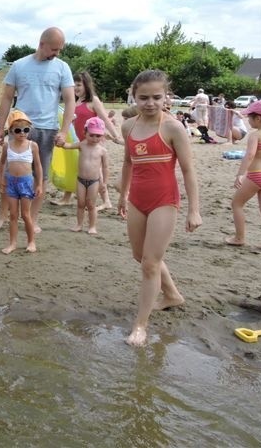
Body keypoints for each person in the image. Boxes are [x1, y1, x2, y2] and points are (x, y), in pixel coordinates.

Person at [117, 70, 201, 347]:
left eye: (156, 97)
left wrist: (194, 210)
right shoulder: (128, 127)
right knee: (140, 256)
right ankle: (173, 295)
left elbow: (188, 170)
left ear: (167, 96)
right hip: (137, 199)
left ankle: (140, 326)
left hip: (165, 200)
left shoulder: (173, 127)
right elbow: (129, 163)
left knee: (150, 264)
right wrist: (122, 195)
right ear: (134, 96)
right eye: (143, 97)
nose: (150, 103)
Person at [0, 27, 75, 233]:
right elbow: (6, 97)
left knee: (41, 175)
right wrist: (1, 126)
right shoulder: (20, 66)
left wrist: (64, 131)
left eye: (60, 49)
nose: (57, 53)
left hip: (47, 129)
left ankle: (32, 217)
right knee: (9, 172)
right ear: (41, 44)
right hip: (19, 126)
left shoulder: (63, 68)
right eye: (54, 49)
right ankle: (3, 214)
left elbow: (69, 100)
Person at [51, 71, 122, 209]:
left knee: (97, 173)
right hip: (78, 142)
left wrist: (116, 135)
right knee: (75, 168)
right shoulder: (74, 102)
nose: (75, 88)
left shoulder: (93, 101)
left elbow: (105, 119)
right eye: (73, 85)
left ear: (86, 85)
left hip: (94, 144)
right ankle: (67, 197)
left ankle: (106, 200)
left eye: (79, 85)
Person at [0, 110, 42, 254]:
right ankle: (12, 243)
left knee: (26, 214)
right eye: (18, 130)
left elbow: (38, 166)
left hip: (26, 182)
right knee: (13, 215)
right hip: (11, 182)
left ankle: (31, 241)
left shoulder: (32, 145)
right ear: (11, 131)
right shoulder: (7, 146)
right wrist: (1, 179)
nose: (22, 133)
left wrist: (39, 183)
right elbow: (2, 164)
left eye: (26, 129)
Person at [225, 100, 261, 248]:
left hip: (256, 175)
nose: (248, 120)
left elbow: (249, 156)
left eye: (250, 117)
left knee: (237, 204)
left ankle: (239, 237)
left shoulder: (256, 135)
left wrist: (240, 174)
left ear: (259, 118)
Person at [61, 117, 110, 234]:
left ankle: (92, 226)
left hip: (94, 181)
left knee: (91, 204)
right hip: (80, 180)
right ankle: (79, 225)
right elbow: (68, 146)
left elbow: (105, 167)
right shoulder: (82, 145)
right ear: (85, 132)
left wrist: (104, 183)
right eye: (91, 135)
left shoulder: (102, 151)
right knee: (80, 203)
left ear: (102, 136)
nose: (94, 138)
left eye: (98, 136)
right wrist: (61, 142)